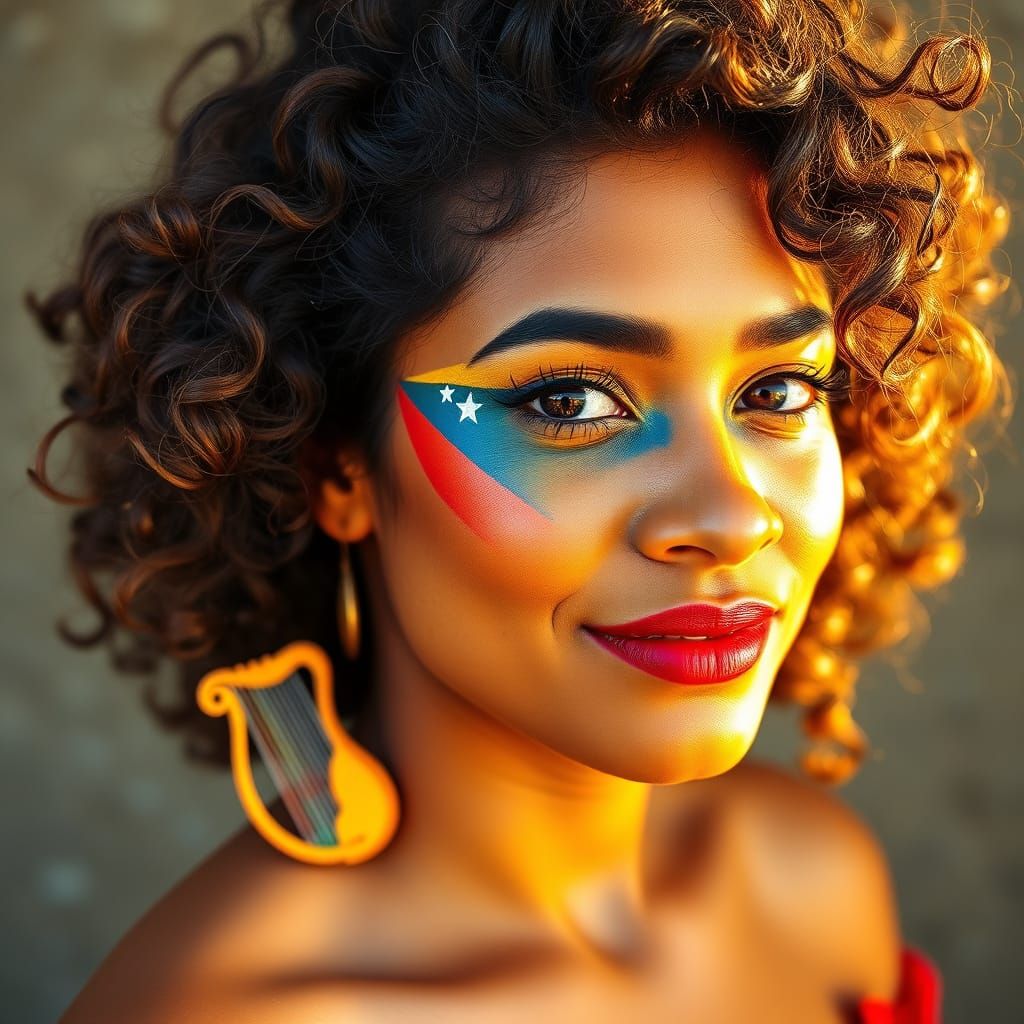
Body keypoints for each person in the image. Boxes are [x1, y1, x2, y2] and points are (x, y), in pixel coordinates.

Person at [27, 0, 1010, 1020]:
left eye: (778, 391)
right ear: (335, 470)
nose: (729, 517)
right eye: (567, 401)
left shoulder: (812, 886)